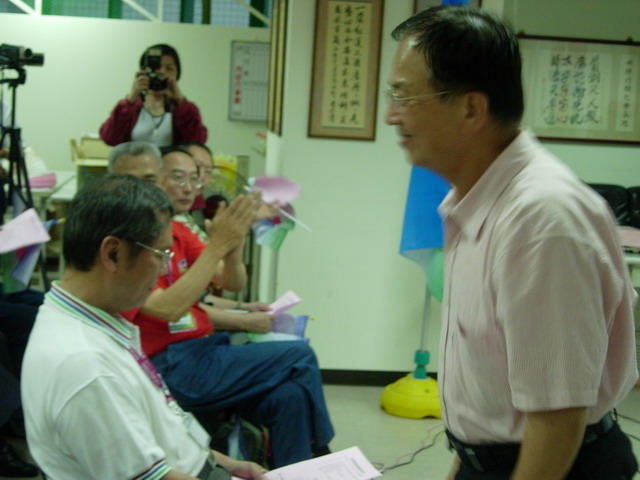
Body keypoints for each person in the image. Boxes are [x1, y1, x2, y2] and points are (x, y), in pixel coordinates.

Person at [386, 6, 638, 480]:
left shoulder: (540, 219)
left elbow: (557, 417)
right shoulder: (474, 202)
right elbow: (489, 388)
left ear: (470, 109)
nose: (391, 116)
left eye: (405, 97)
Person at [21, 174, 266, 480]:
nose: (165, 270)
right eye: (161, 255)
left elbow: (157, 432)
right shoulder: (85, 365)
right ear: (113, 253)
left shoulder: (93, 319)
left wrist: (224, 463)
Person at [110, 142, 335, 468]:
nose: (188, 187)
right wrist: (220, 245)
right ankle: (324, 455)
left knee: (291, 396)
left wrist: (235, 242)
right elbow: (167, 308)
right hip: (172, 364)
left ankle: (298, 472)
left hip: (205, 349)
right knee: (299, 354)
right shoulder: (126, 242)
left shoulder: (176, 230)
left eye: (195, 178)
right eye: (179, 178)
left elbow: (232, 281)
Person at [99, 44, 207, 147]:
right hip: (135, 160)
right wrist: (130, 100)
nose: (162, 72)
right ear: (143, 71)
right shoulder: (132, 107)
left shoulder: (183, 110)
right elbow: (110, 138)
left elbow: (197, 143)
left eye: (169, 68)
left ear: (177, 74)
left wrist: (180, 102)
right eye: (156, 67)